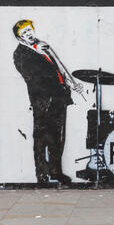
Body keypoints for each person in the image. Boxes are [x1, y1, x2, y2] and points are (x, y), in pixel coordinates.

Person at [12, 19, 83, 185]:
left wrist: (69, 85)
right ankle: (42, 175)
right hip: (43, 101)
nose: (28, 34)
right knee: (41, 138)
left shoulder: (43, 47)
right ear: (19, 38)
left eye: (29, 30)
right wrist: (51, 93)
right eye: (24, 33)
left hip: (59, 98)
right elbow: (33, 79)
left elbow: (57, 69)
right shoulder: (21, 54)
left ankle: (55, 171)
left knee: (57, 137)